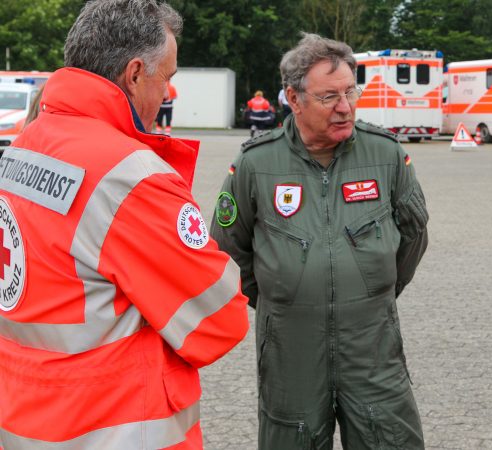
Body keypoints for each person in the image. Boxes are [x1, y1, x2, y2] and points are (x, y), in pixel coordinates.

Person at [0, 0, 249, 447]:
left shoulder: (26, 144)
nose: (170, 94)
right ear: (134, 73)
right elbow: (218, 319)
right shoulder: (127, 176)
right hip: (112, 426)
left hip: (28, 421)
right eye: (167, 77)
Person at [210, 33, 429, 449]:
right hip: (290, 350)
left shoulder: (386, 155)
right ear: (294, 99)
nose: (345, 107)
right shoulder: (256, 163)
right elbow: (227, 248)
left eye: (351, 92)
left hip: (373, 346)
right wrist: (284, 297)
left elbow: (413, 236)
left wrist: (373, 290)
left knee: (389, 438)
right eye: (329, 97)